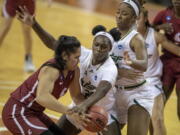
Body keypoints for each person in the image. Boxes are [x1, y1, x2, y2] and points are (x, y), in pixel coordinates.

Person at [16, 7, 121, 135]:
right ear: (92, 44)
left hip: (103, 111)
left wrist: (83, 107)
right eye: (97, 45)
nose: (99, 49)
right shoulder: (83, 53)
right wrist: (34, 24)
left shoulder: (110, 68)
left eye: (104, 47)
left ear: (110, 49)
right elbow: (54, 44)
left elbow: (102, 90)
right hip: (79, 104)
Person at [2, 35, 84, 135]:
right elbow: (42, 97)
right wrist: (70, 111)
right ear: (65, 56)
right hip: (18, 111)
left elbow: (76, 96)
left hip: (36, 112)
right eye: (76, 57)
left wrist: (86, 112)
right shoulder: (52, 69)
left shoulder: (74, 71)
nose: (79, 61)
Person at [109, 0, 154, 135]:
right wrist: (117, 71)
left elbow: (144, 64)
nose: (119, 16)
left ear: (134, 18)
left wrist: (131, 63)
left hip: (136, 93)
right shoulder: (111, 34)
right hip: (113, 94)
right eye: (118, 12)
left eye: (124, 14)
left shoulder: (136, 39)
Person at [137, 7, 180, 135]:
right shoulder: (124, 36)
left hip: (153, 81)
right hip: (134, 82)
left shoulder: (155, 36)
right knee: (152, 116)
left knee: (159, 117)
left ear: (144, 19)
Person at [152, 0, 180, 120]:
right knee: (157, 108)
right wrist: (159, 27)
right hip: (167, 63)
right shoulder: (164, 14)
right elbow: (148, 29)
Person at [0, 0, 35, 72]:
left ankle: (28, 59)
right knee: (5, 28)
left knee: (27, 31)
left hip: (28, 3)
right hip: (12, 2)